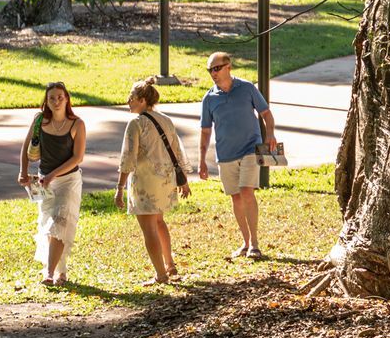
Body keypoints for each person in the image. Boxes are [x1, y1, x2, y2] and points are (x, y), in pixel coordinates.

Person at [197, 51, 277, 261]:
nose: (213, 73)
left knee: (246, 191)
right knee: (235, 196)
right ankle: (246, 242)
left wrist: (270, 135)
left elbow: (266, 114)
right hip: (225, 154)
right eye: (210, 70)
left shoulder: (247, 88)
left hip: (250, 149)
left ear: (228, 66)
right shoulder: (209, 98)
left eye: (216, 68)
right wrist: (202, 160)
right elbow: (205, 131)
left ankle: (255, 244)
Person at [115, 79, 192, 285]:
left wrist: (120, 187)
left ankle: (161, 274)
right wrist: (183, 178)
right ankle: (169, 263)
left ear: (141, 100)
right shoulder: (165, 119)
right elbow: (176, 149)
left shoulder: (136, 123)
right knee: (159, 222)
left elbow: (127, 159)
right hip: (165, 180)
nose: (128, 101)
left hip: (145, 182)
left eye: (131, 98)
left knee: (148, 228)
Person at [19, 81, 85, 287]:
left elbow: (77, 158)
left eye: (60, 97)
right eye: (51, 98)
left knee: (60, 222)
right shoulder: (40, 120)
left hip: (68, 181)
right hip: (43, 181)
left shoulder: (77, 124)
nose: (56, 101)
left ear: (67, 99)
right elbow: (25, 147)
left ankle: (49, 273)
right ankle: (61, 271)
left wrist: (53, 175)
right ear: (46, 102)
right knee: (49, 226)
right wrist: (22, 171)